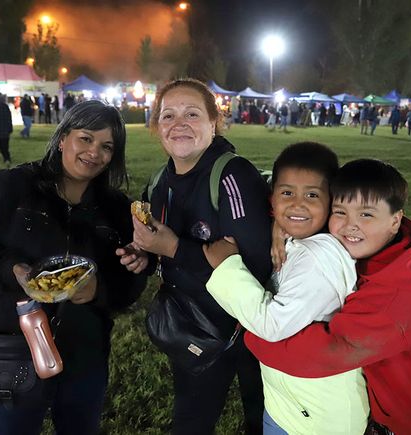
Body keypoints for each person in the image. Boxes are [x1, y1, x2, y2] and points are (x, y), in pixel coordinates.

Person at [217, 159, 411, 434]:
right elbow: (298, 195)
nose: (350, 225)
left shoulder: (399, 296)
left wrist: (255, 332)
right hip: (384, 396)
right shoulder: (375, 241)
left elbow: (324, 352)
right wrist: (281, 223)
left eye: (366, 215)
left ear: (396, 220)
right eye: (340, 211)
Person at [0, 100, 147, 435]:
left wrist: (100, 289)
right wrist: (12, 270)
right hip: (11, 348)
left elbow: (131, 282)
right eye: (85, 139)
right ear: (62, 138)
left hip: (84, 352)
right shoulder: (12, 186)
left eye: (106, 146)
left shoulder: (117, 210)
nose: (93, 153)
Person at [118, 78, 271, 434]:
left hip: (246, 329)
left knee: (261, 417)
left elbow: (257, 263)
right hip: (192, 326)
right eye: (168, 115)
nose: (179, 123)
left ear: (213, 123)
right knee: (190, 420)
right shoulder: (159, 183)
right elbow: (162, 251)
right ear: (157, 126)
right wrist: (144, 256)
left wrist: (174, 248)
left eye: (192, 113)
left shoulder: (232, 175)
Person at [203, 142, 369, 435]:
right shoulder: (304, 242)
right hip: (295, 402)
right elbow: (273, 180)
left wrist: (227, 266)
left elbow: (273, 324)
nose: (297, 204)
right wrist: (278, 226)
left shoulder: (317, 260)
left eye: (313, 195)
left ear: (334, 201)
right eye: (287, 193)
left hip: (317, 418)